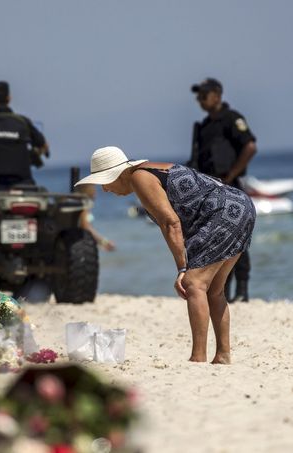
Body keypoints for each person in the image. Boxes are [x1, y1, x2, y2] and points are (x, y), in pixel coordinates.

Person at [76, 146, 256, 364]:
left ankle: (198, 357)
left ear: (118, 173)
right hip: (241, 205)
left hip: (223, 212)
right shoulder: (150, 169)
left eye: (104, 181)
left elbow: (170, 223)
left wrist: (182, 269)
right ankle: (223, 354)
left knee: (193, 284)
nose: (104, 189)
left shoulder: (140, 178)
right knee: (214, 290)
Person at [188, 78, 257, 303]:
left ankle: (242, 290)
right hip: (209, 190)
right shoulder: (204, 126)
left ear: (217, 95)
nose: (200, 101)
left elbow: (250, 146)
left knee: (236, 237)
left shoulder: (232, 119)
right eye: (198, 97)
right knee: (214, 239)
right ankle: (222, 290)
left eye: (203, 96)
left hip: (231, 187)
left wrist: (231, 175)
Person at [75, 184, 115, 251]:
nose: (96, 193)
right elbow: (86, 227)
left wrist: (100, 245)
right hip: (83, 244)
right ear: (89, 192)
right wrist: (104, 241)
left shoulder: (79, 205)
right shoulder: (83, 207)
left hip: (80, 243)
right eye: (94, 190)